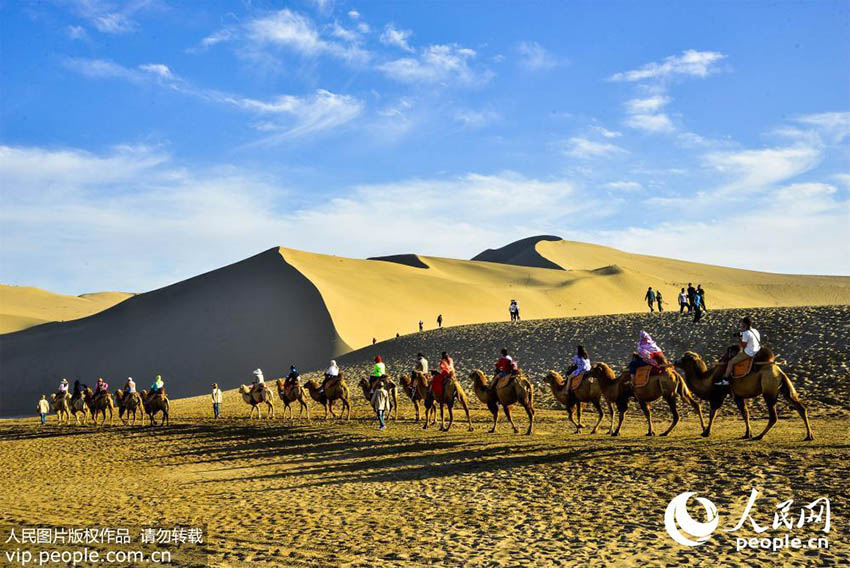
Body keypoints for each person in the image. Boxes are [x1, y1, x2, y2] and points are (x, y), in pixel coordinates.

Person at [719, 316, 761, 385]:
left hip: (749, 353)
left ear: (745, 324)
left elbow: (743, 346)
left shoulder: (746, 333)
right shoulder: (755, 330)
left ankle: (725, 379)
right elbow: (747, 335)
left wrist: (739, 339)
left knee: (731, 362)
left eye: (742, 323)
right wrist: (739, 334)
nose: (741, 324)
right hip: (757, 350)